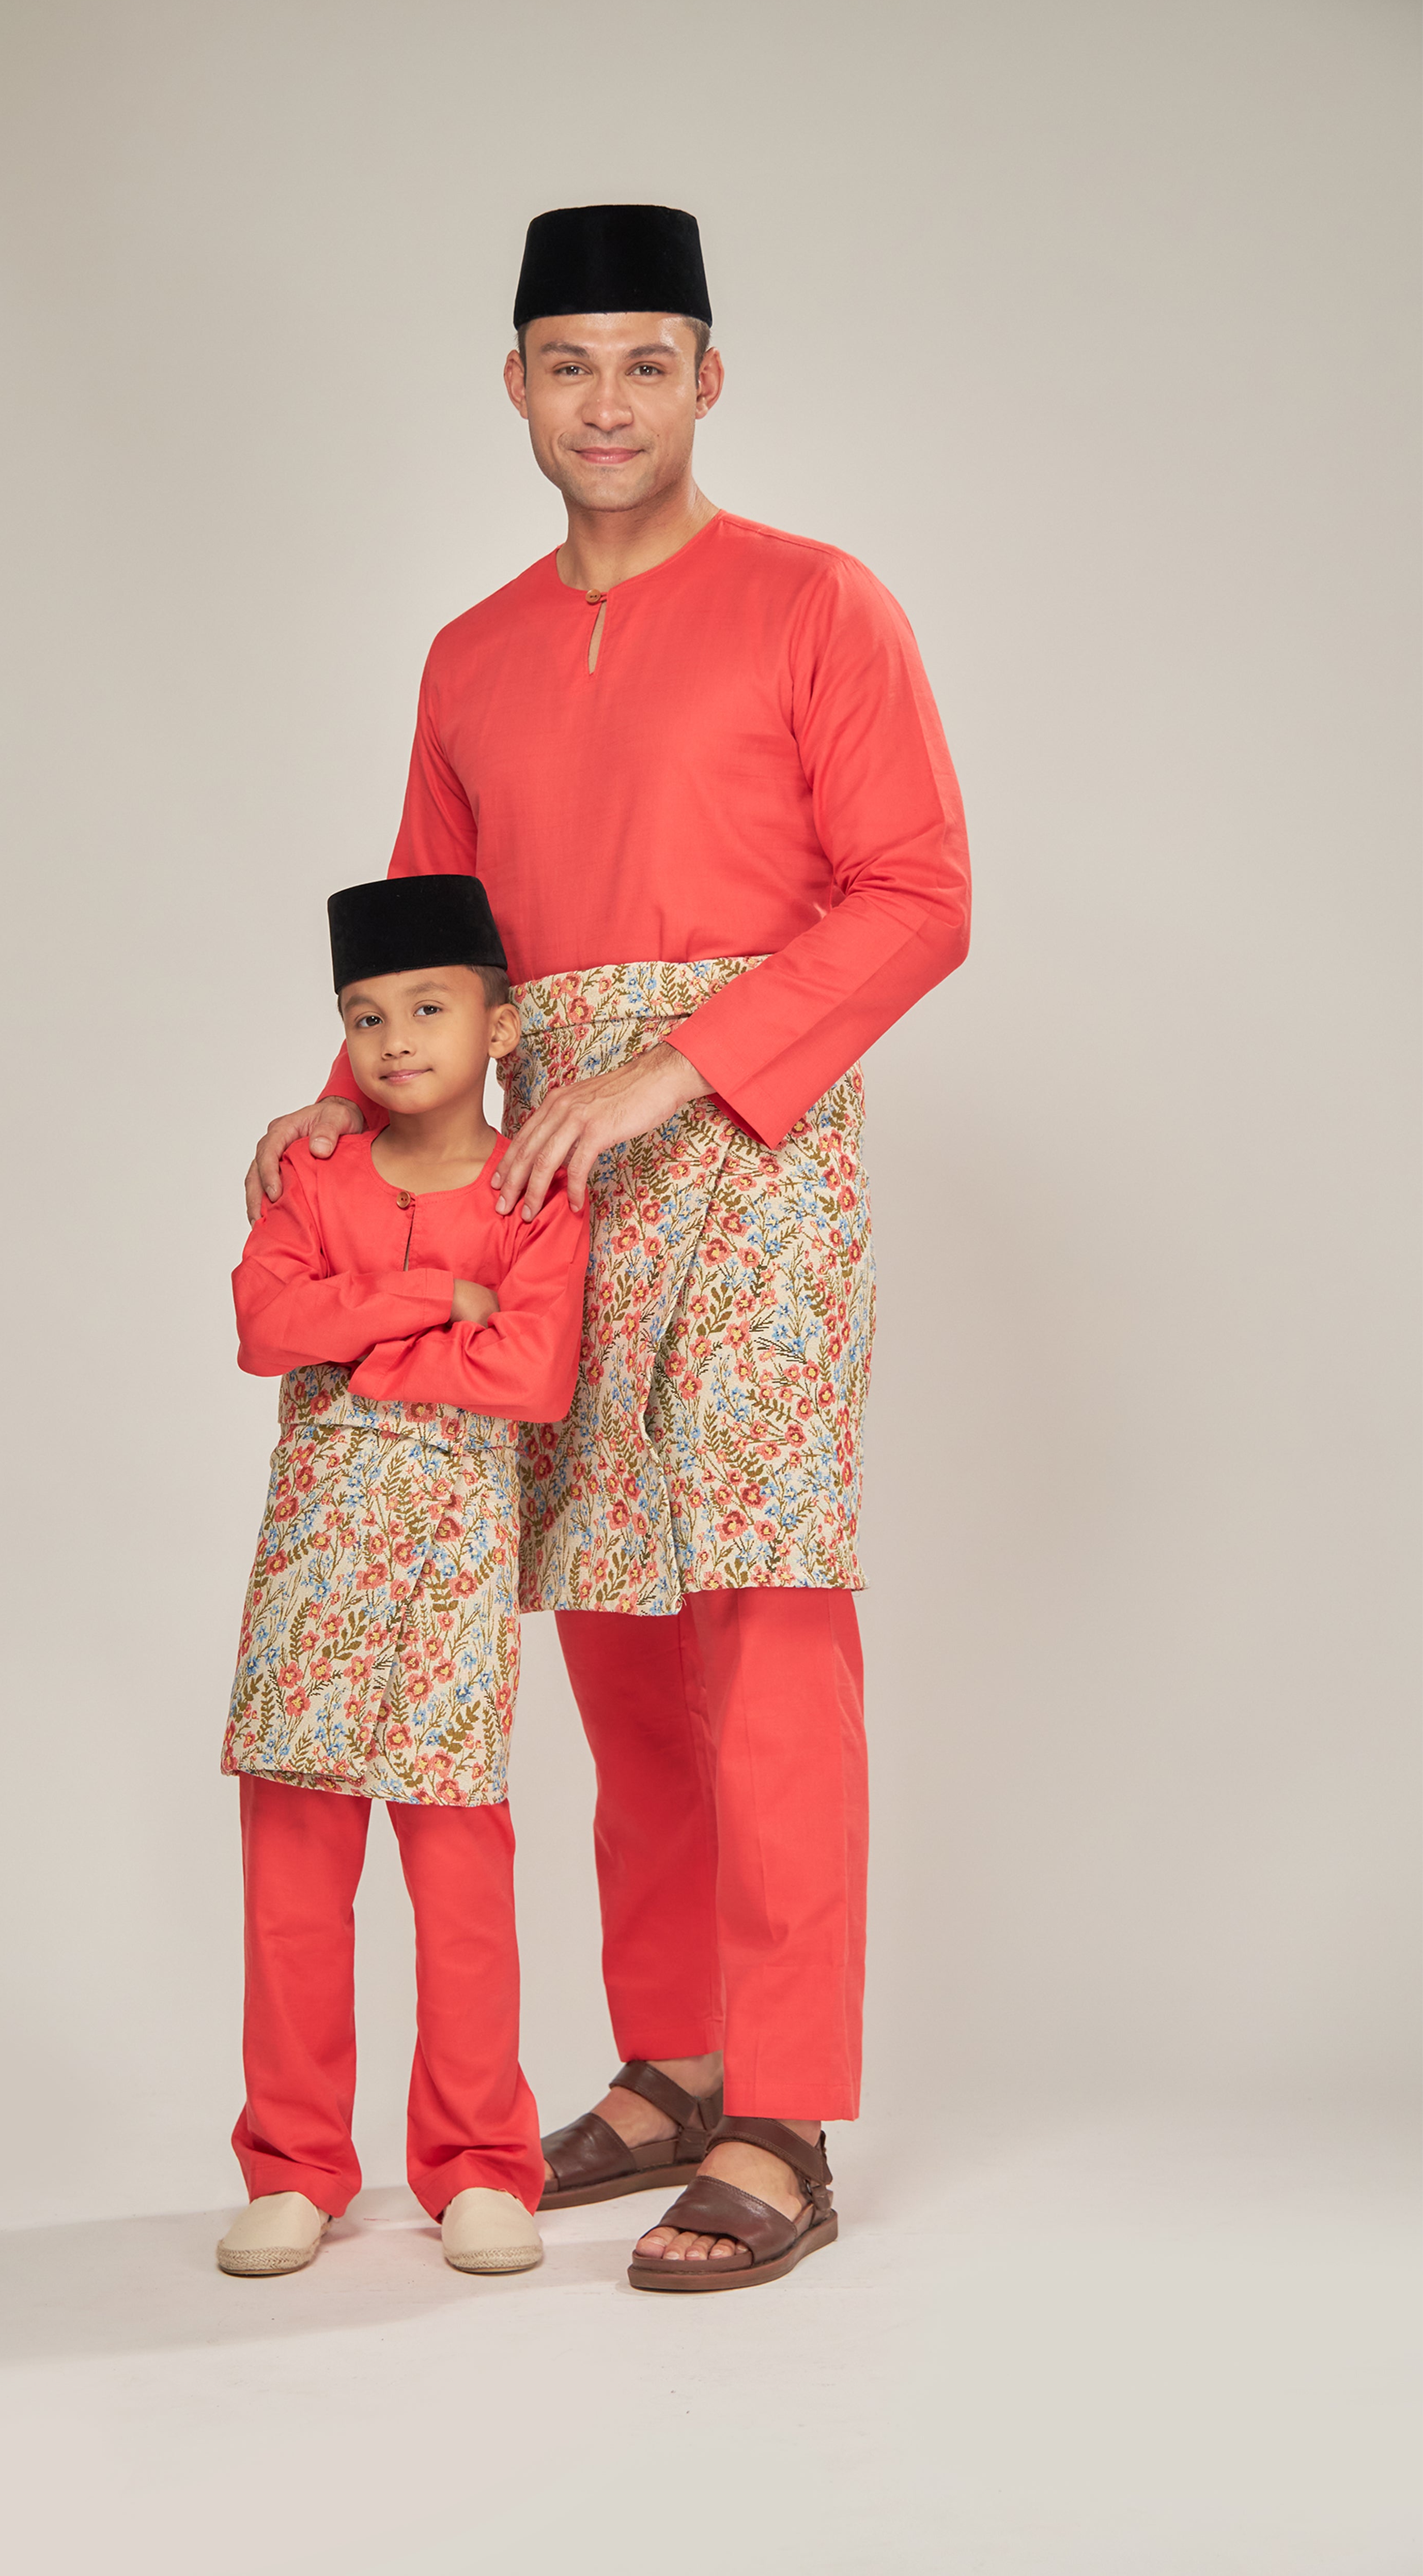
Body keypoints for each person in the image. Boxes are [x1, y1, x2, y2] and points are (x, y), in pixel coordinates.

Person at [245, 204, 971, 2293]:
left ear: (708, 380)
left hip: (749, 1154)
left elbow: (919, 893)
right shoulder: (469, 652)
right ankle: (672, 2059)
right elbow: (433, 936)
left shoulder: (818, 602)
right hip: (539, 1177)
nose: (609, 400)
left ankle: (783, 2108)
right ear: (516, 385)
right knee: (608, 1621)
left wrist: (680, 1068)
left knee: (763, 1608)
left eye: (649, 360)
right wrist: (341, 1095)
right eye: (570, 362)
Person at [217, 872, 589, 2280]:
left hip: (451, 1572)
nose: (395, 1040)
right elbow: (265, 1326)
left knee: (461, 1884)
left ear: (501, 1026)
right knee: (293, 1886)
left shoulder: (533, 1191)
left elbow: (533, 1375)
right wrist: (436, 1299)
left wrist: (356, 1346)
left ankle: (481, 2165)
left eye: (429, 1008)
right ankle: (295, 2165)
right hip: (314, 1566)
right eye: (365, 1016)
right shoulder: (309, 1177)